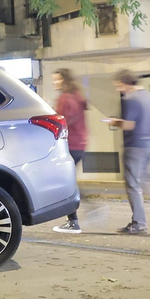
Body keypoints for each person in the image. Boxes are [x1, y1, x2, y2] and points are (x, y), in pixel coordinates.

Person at [103, 69, 150, 235]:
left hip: (134, 146)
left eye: (119, 86)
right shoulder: (149, 97)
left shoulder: (131, 99)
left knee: (133, 185)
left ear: (126, 83)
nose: (119, 90)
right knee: (143, 182)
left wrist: (114, 122)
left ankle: (139, 223)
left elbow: (129, 125)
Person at [51, 69, 88, 232]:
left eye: (57, 80)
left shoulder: (64, 98)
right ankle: (75, 217)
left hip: (69, 144)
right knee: (70, 181)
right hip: (80, 143)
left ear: (64, 80)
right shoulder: (78, 96)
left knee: (67, 183)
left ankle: (73, 221)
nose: (55, 83)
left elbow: (62, 122)